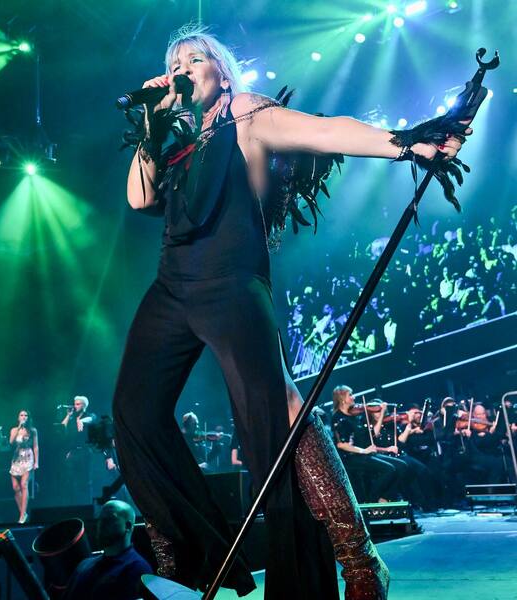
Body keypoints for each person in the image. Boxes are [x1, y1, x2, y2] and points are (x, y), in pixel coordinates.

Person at [112, 24, 469, 599]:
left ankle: (357, 558)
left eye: (194, 59)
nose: (181, 69)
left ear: (220, 70)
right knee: (134, 410)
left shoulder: (246, 115)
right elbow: (140, 198)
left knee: (275, 415)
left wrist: (410, 143)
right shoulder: (176, 137)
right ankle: (193, 553)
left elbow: (326, 132)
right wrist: (152, 125)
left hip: (231, 284)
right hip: (172, 287)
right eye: (174, 62)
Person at [63, 500, 152, 600]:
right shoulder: (83, 565)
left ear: (128, 526)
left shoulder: (137, 568)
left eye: (110, 519)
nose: (101, 524)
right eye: (100, 519)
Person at [331, 387, 398, 503]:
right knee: (389, 469)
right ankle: (373, 500)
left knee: (400, 466)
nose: (354, 397)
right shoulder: (338, 418)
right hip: (350, 458)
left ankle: (384, 498)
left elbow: (370, 435)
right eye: (350, 395)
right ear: (342, 399)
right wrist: (364, 450)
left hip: (362, 454)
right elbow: (341, 445)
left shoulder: (355, 416)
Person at [61, 395, 97, 504]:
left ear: (84, 405)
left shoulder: (89, 415)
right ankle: (73, 504)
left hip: (85, 451)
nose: (75, 406)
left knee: (85, 480)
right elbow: (62, 427)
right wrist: (68, 415)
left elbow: (92, 419)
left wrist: (81, 421)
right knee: (71, 480)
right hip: (73, 452)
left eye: (77, 404)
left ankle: (87, 504)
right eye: (74, 404)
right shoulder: (72, 418)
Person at [9, 409, 39, 524]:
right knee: (15, 487)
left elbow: (35, 446)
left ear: (28, 417)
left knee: (24, 484)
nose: (23, 417)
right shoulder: (14, 429)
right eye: (21, 415)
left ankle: (22, 516)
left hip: (28, 456)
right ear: (18, 417)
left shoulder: (32, 430)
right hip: (17, 457)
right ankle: (24, 512)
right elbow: (11, 442)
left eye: (26, 415)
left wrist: (36, 462)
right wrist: (18, 428)